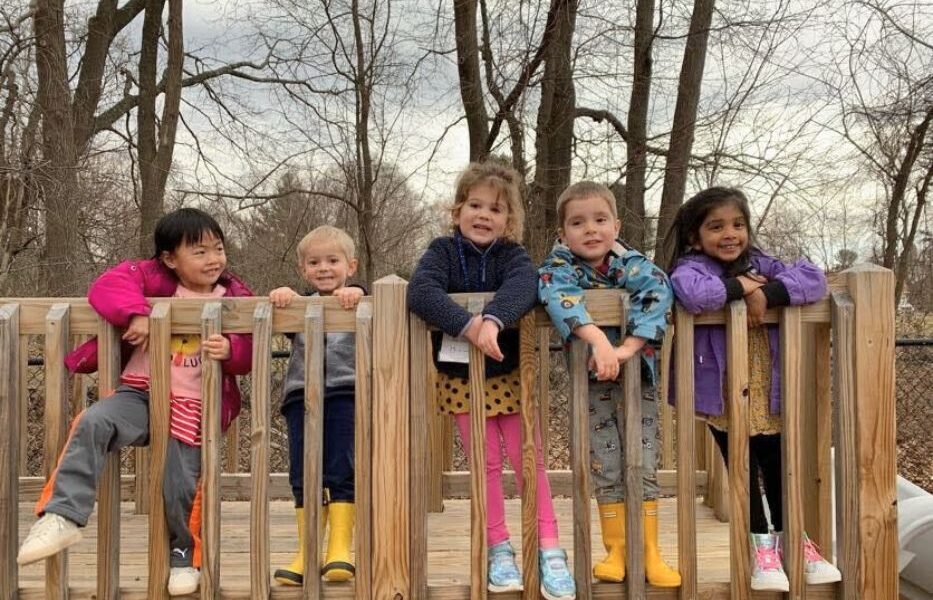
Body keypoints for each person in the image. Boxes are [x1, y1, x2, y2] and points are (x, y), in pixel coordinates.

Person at [17, 208, 253, 596]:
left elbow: (249, 350)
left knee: (181, 485)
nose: (213, 259)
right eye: (199, 251)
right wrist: (136, 313)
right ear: (169, 258)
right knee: (93, 421)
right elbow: (106, 286)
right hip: (140, 393)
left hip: (195, 404)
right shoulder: (148, 279)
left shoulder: (233, 295)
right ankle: (62, 515)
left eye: (218, 249)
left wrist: (230, 349)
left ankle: (184, 557)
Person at [408, 161, 576, 600]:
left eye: (496, 209)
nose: (484, 215)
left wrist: (494, 320)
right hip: (461, 379)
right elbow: (421, 292)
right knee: (483, 464)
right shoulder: (441, 252)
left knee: (528, 459)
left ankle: (549, 547)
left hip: (511, 374)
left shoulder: (513, 256)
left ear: (509, 220)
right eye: (475, 205)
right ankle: (499, 547)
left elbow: (526, 287)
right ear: (457, 209)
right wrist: (470, 326)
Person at [664, 186, 842, 591]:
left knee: (779, 469)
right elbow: (690, 293)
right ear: (695, 236)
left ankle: (795, 543)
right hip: (723, 397)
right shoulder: (694, 267)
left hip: (769, 393)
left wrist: (768, 292)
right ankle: (762, 549)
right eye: (716, 226)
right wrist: (741, 288)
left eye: (738, 225)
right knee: (742, 471)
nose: (730, 234)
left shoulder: (763, 263)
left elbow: (814, 277)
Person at [538, 181, 681, 588]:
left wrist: (627, 348)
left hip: (639, 379)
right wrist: (600, 341)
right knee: (605, 460)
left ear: (616, 225)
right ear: (563, 233)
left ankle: (650, 550)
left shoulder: (633, 265)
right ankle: (616, 548)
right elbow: (557, 293)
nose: (591, 230)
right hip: (590, 380)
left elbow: (657, 287)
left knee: (643, 457)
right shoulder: (557, 268)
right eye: (578, 222)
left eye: (600, 220)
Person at [269, 225, 365, 586]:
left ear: (350, 265)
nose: (323, 268)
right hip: (300, 396)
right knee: (302, 473)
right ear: (302, 269)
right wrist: (285, 295)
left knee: (341, 466)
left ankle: (339, 547)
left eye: (333, 260)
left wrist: (357, 294)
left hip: (345, 392)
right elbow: (286, 316)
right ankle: (307, 549)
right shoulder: (300, 303)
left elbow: (366, 297)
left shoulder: (360, 298)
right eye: (314, 262)